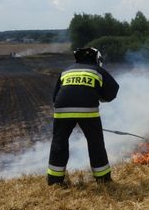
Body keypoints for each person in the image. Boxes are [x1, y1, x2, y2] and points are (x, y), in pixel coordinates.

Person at [47, 47, 119, 186]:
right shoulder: (97, 70)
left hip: (62, 109)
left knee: (59, 142)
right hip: (88, 110)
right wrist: (98, 96)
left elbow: (55, 96)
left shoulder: (66, 71)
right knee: (95, 143)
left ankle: (54, 181)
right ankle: (103, 179)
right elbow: (113, 91)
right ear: (97, 59)